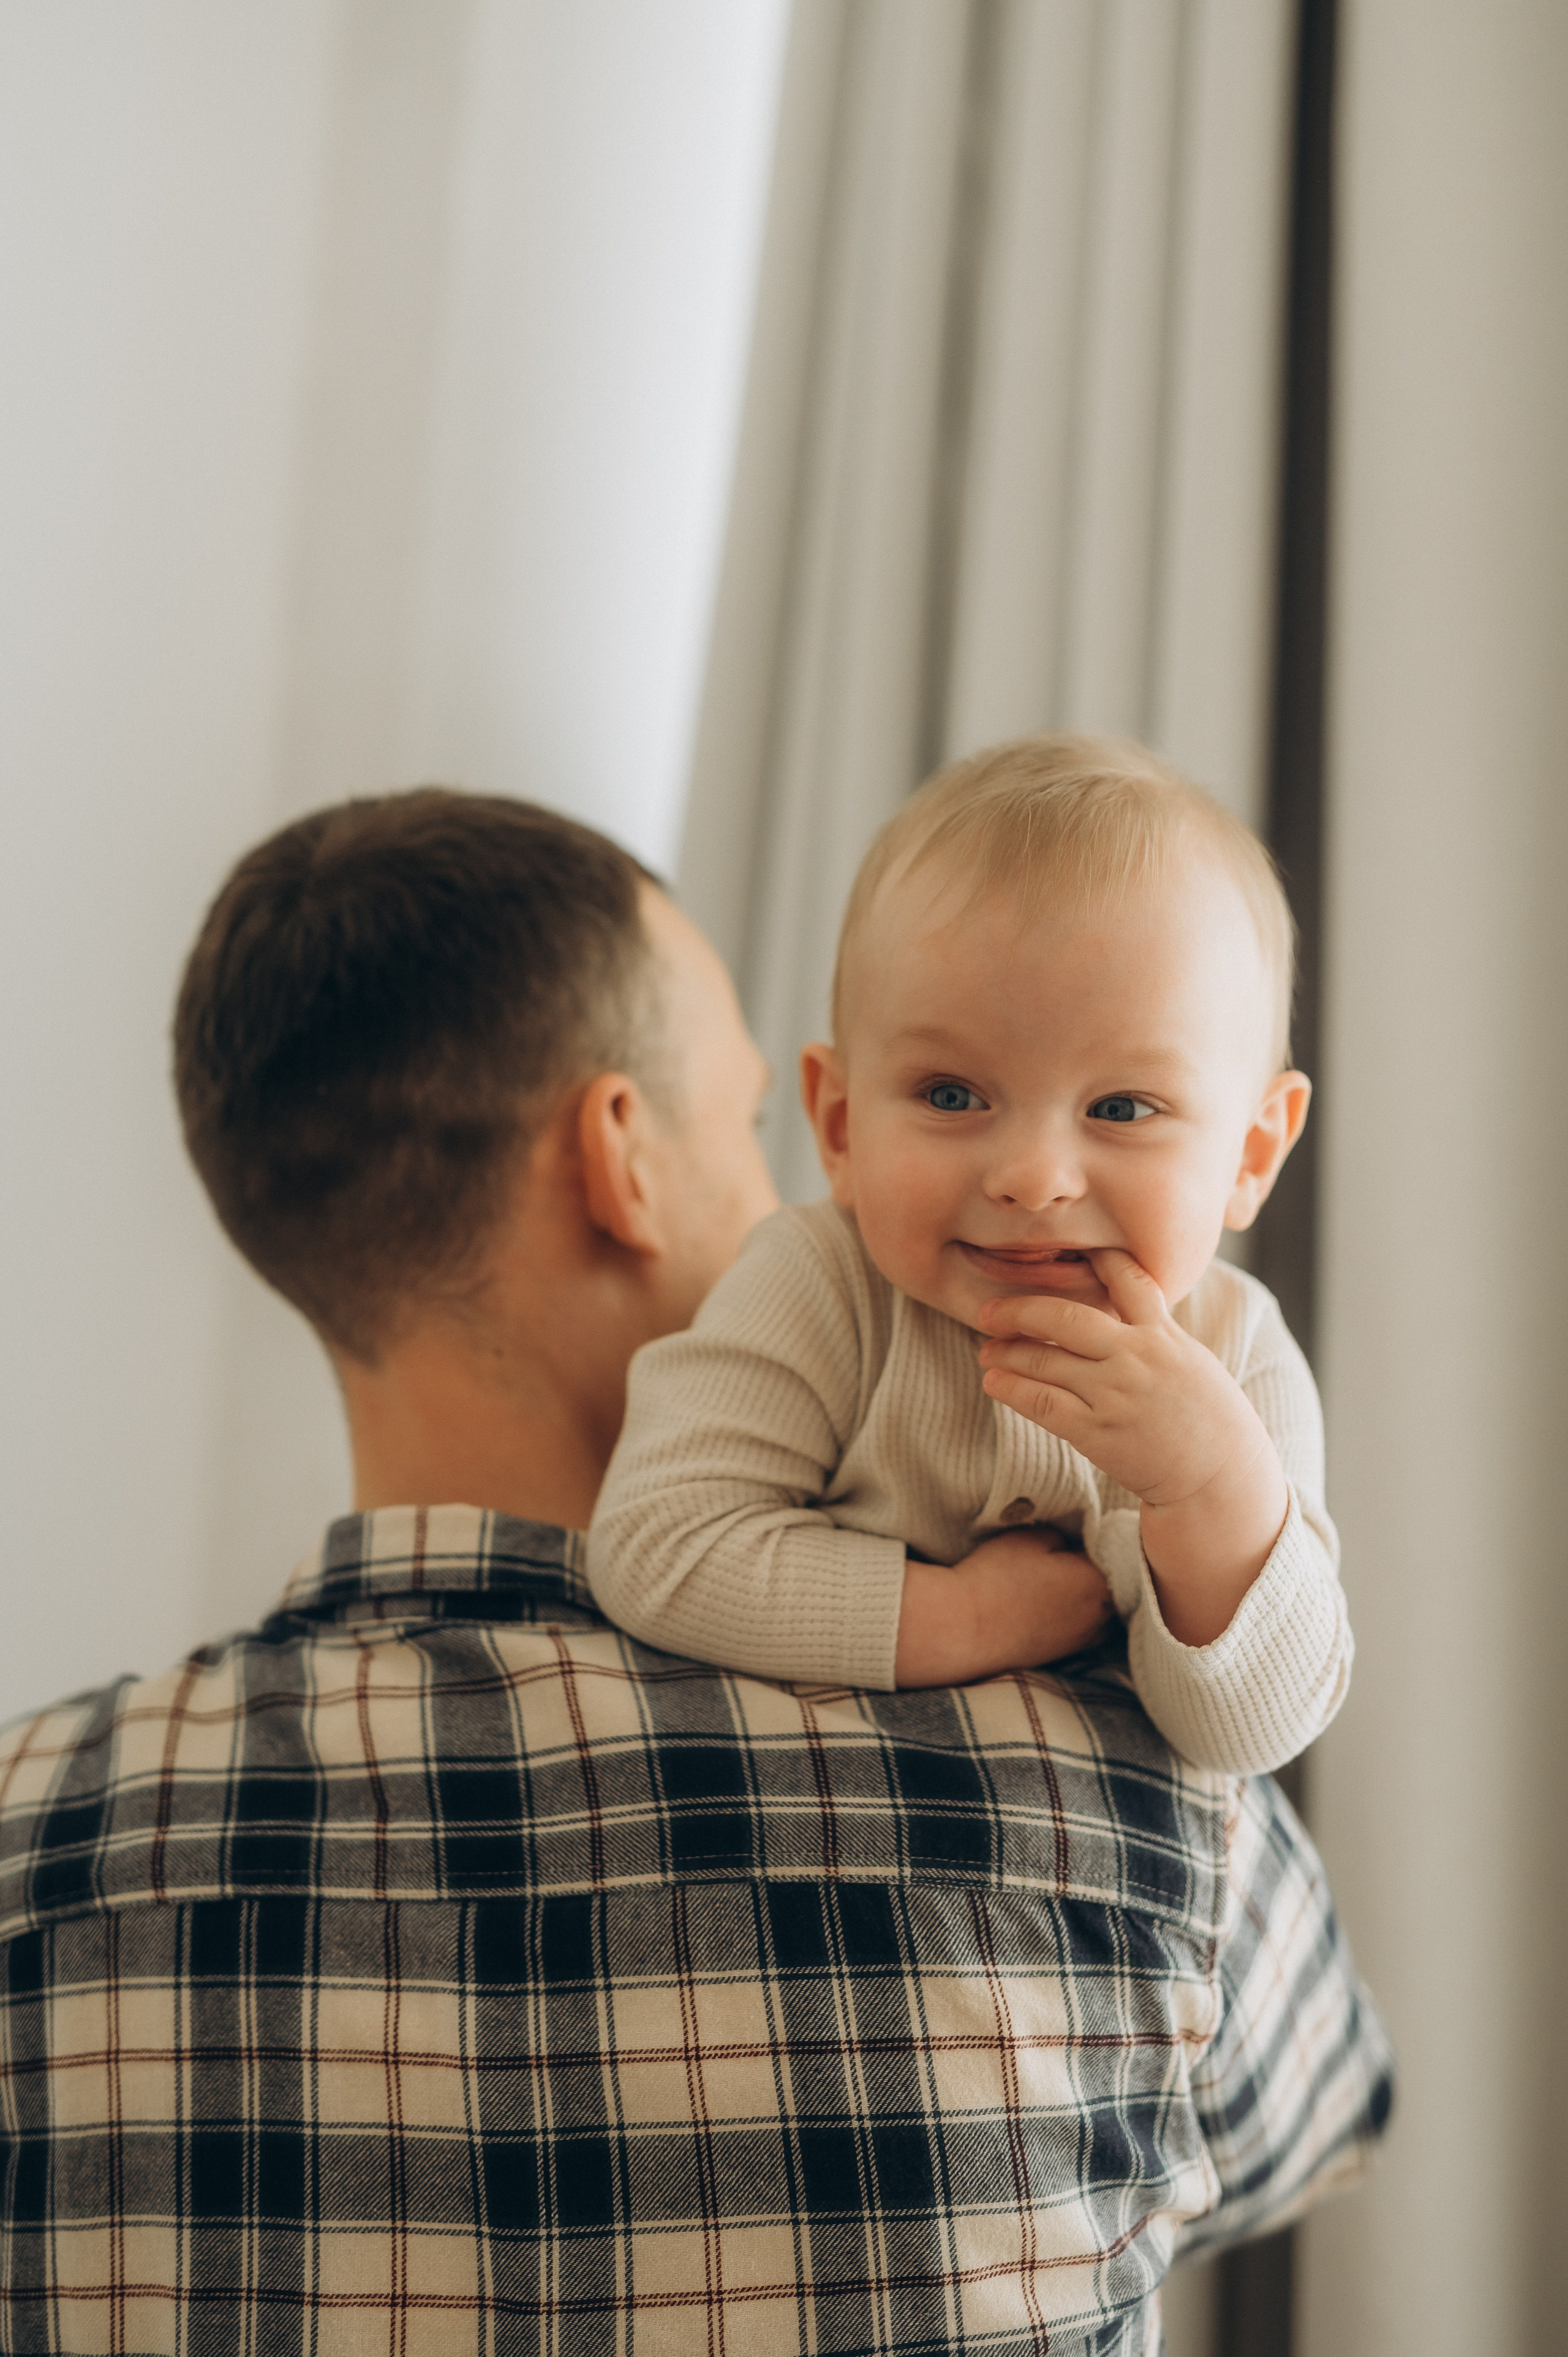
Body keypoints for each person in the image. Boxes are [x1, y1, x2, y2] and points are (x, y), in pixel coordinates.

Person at [0, 789, 1390, 2355]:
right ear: (623, 1162)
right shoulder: (1128, 1778)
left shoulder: (31, 1837)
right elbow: (1316, 2123)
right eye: (749, 1126)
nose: (1024, 1179)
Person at [589, 735, 1348, 1777]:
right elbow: (657, 1546)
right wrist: (957, 1619)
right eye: (952, 1095)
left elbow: (1256, 1733)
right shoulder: (818, 1285)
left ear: (1251, 1156)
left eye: (1123, 1109)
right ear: (842, 1125)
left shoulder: (1237, 1353)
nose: (1034, 1179)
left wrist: (1213, 1489)